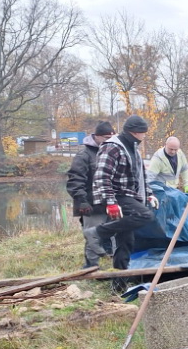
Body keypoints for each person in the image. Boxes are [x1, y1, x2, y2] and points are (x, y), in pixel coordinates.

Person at [84, 115, 159, 285]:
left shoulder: (133, 148)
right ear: (135, 132)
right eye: (143, 133)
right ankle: (97, 233)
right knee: (145, 215)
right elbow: (102, 176)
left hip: (130, 195)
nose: (144, 136)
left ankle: (119, 285)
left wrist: (149, 194)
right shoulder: (112, 147)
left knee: (125, 242)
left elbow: (140, 176)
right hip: (118, 195)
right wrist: (110, 202)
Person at [65, 121, 115, 268]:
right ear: (96, 136)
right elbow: (75, 180)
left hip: (110, 202)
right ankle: (91, 267)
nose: (109, 141)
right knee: (93, 237)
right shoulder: (84, 155)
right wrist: (82, 201)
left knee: (114, 235)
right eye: (106, 138)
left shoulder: (112, 152)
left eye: (111, 138)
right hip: (90, 203)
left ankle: (113, 266)